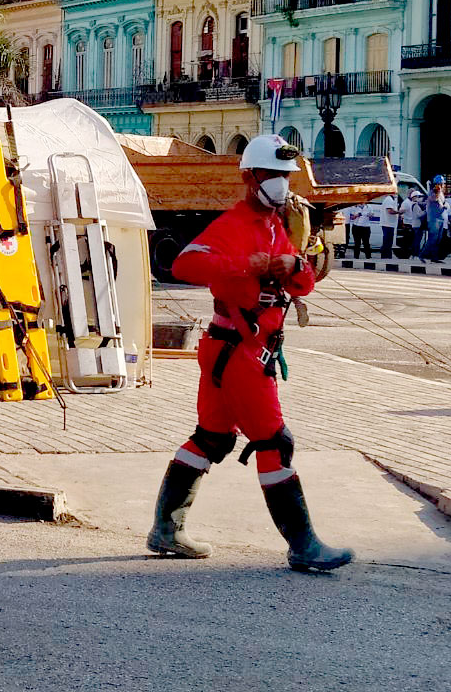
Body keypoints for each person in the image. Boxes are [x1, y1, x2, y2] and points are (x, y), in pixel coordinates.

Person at [146, 133, 352, 572]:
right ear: (249, 176)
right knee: (275, 442)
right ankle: (304, 547)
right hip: (240, 354)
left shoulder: (278, 225)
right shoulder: (232, 225)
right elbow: (184, 264)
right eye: (272, 175)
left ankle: (166, 529)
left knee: (212, 437)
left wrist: (295, 266)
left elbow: (302, 285)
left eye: (285, 175)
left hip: (235, 349)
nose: (280, 183)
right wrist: (247, 265)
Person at [423, 176, 448, 262]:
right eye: (442, 183)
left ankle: (434, 257)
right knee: (433, 238)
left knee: (438, 239)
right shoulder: (433, 191)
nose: (444, 185)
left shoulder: (441, 192)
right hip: (434, 219)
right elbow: (433, 199)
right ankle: (422, 254)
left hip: (440, 218)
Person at [400, 188, 424, 259]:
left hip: (412, 224)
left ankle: (412, 254)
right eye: (418, 196)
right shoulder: (408, 203)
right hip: (409, 224)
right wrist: (425, 212)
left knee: (414, 240)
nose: (420, 198)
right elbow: (418, 215)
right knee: (413, 241)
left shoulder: (415, 204)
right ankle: (413, 255)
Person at [379, 191, 399, 259]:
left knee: (388, 241)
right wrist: (399, 212)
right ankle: (386, 256)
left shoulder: (391, 199)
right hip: (387, 223)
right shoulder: (389, 199)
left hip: (389, 223)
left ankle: (386, 256)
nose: (397, 194)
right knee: (387, 241)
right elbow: (390, 211)